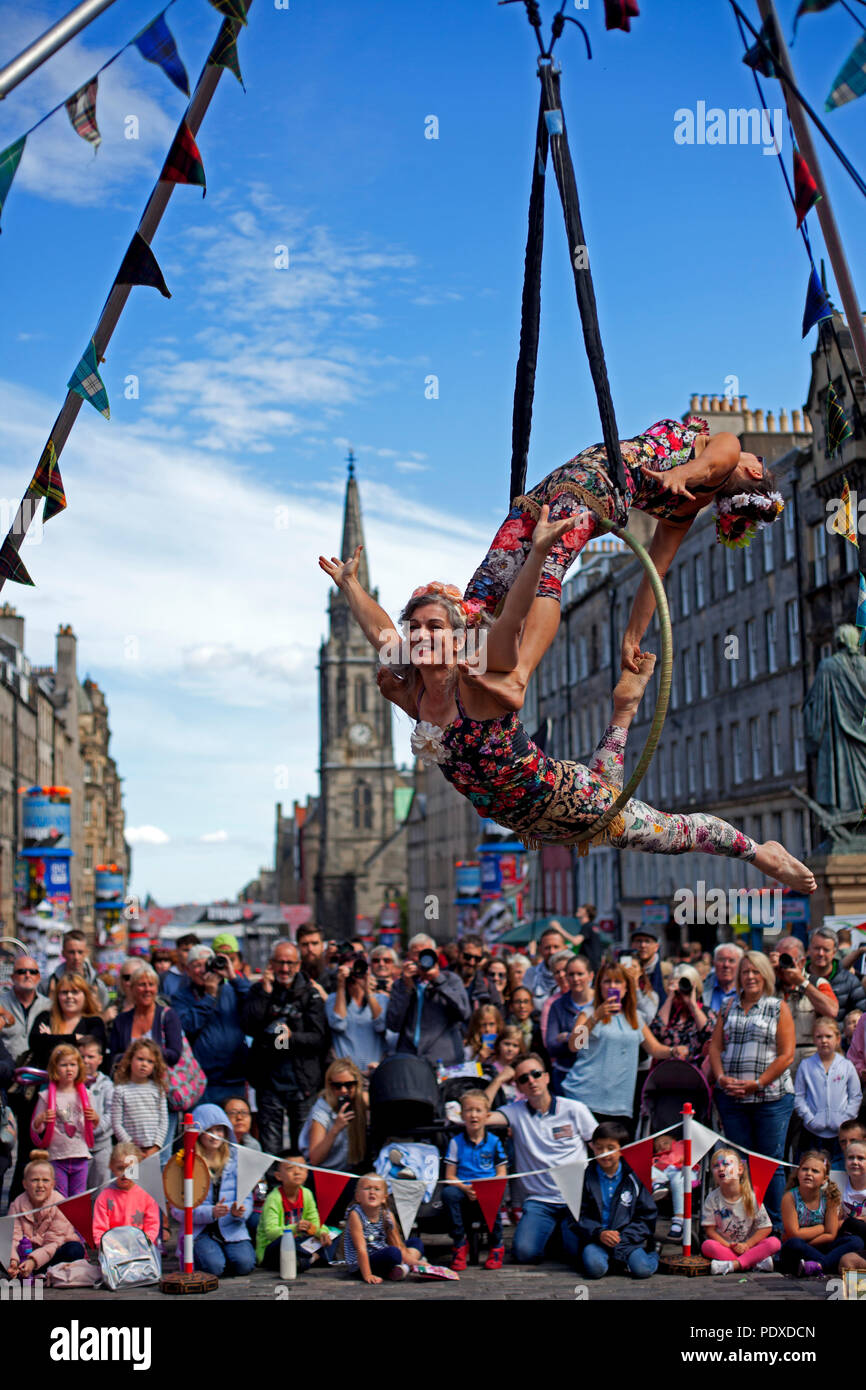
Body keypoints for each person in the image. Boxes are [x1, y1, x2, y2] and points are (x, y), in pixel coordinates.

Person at [323, 531, 816, 891]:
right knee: (609, 786)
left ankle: (759, 852)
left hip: (564, 801)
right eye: (417, 628)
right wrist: (350, 587)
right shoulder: (414, 695)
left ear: (458, 638)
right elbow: (381, 632)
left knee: (661, 831)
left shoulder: (472, 686)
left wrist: (538, 553)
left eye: (435, 626)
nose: (422, 635)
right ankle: (623, 708)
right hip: (528, 825)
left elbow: (514, 616)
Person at [462, 420, 783, 706]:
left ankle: (518, 678)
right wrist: (631, 638)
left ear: (754, 470)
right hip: (564, 478)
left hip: (595, 485)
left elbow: (712, 465)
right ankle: (462, 665)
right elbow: (654, 574)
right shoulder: (683, 511)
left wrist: (678, 475)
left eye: (761, 460)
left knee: (548, 573)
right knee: (489, 580)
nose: (757, 455)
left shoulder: (726, 452)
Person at [708, 950, 796, 1231]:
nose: (749, 976)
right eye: (745, 972)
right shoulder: (728, 1006)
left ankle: (777, 1229)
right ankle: (747, 1226)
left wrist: (757, 1083)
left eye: (755, 971)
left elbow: (787, 1055)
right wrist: (721, 1078)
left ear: (765, 975)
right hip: (733, 1097)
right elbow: (715, 1047)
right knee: (740, 1163)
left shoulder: (777, 1006)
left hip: (770, 1098)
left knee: (769, 1163)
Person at [484, 1054, 595, 1265]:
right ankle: (553, 1233)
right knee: (524, 1253)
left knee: (576, 1254)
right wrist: (498, 1080)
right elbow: (479, 1116)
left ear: (546, 1077)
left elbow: (601, 1147)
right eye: (524, 1079)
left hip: (576, 1198)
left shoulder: (575, 1109)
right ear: (519, 1087)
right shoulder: (514, 1112)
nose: (531, 1081)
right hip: (539, 1201)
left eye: (535, 1074)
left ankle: (559, 1234)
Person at [561, 961, 675, 1134]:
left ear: (626, 987)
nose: (612, 986)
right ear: (599, 986)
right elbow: (575, 1045)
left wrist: (675, 1051)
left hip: (620, 1102)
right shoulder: (589, 1013)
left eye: (617, 982)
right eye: (607, 982)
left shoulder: (635, 1017)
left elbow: (654, 1049)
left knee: (616, 1156)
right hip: (586, 1097)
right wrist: (596, 1017)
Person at [242, 939, 327, 1154]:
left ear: (298, 965)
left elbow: (319, 1038)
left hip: (302, 1083)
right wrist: (266, 993)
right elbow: (249, 1026)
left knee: (302, 1148)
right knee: (270, 1150)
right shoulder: (260, 990)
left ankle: (303, 1188)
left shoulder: (310, 993)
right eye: (280, 962)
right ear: (271, 963)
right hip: (269, 1082)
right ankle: (273, 1186)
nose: (285, 968)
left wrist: (292, 1037)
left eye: (290, 963)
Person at [169, 1103, 255, 1277]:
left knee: (244, 1264)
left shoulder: (236, 1159)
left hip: (232, 1226)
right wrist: (211, 1212)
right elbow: (177, 1209)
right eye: (210, 1130)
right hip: (200, 1230)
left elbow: (247, 1195)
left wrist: (240, 1211)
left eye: (220, 1130)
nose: (215, 1136)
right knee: (214, 1267)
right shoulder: (183, 1162)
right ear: (199, 1134)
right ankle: (203, 1254)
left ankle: (223, 1254)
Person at [576, 1121, 658, 1279]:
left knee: (643, 1270)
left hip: (627, 1239)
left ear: (622, 1150)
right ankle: (614, 1262)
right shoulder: (585, 1177)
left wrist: (624, 1237)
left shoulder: (634, 1177)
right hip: (597, 1239)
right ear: (592, 1147)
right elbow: (579, 1215)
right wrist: (599, 1233)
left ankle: (653, 1253)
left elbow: (647, 1215)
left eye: (611, 1148)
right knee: (595, 1269)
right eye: (599, 1148)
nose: (604, 1153)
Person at [172, 944, 251, 1106]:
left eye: (207, 964)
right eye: (197, 966)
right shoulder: (181, 997)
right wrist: (209, 996)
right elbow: (187, 1026)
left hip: (233, 1078)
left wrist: (233, 976)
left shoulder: (232, 990)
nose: (203, 970)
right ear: (187, 970)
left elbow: (255, 1004)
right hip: (201, 1080)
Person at [443, 1090, 508, 1271]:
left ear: (487, 1115)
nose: (473, 1115)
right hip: (464, 1187)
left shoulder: (494, 1142)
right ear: (462, 1115)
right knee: (449, 1194)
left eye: (478, 1110)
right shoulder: (456, 1142)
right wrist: (465, 1188)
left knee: (494, 1196)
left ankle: (496, 1245)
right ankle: (459, 1243)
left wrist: (485, 1187)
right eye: (469, 1110)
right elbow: (450, 1176)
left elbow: (501, 1172)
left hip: (487, 1187)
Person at [385, 933, 471, 1065]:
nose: (421, 958)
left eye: (426, 953)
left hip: (443, 1059)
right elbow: (393, 1024)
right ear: (409, 956)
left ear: (435, 955)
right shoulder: (401, 984)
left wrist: (438, 981)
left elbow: (464, 1013)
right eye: (416, 953)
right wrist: (407, 988)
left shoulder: (450, 979)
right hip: (409, 1058)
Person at [778, 1150, 864, 1277]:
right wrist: (822, 1228)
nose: (808, 1173)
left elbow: (831, 1234)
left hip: (823, 1245)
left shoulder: (830, 1197)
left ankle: (819, 1265)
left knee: (856, 1241)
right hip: (801, 1248)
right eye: (804, 1169)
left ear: (824, 1179)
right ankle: (828, 1263)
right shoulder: (789, 1198)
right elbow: (795, 1233)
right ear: (797, 1173)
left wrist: (814, 1235)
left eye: (815, 1171)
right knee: (794, 1243)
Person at [3, 1150, 85, 1278]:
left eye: (45, 1181)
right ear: (25, 1184)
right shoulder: (17, 1204)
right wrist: (13, 1261)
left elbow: (54, 1242)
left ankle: (36, 1271)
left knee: (74, 1249)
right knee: (3, 1245)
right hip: (24, 1253)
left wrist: (33, 1261)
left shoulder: (60, 1203)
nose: (40, 1185)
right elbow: (13, 1238)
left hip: (52, 1251)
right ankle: (19, 1269)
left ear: (53, 1184)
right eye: (35, 1180)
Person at [700, 1146, 780, 1275]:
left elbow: (766, 1228)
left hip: (749, 1247)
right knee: (707, 1246)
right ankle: (754, 1262)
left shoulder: (752, 1196)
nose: (721, 1168)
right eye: (716, 1166)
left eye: (726, 1164)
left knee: (774, 1243)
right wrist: (729, 1246)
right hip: (727, 1247)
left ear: (740, 1170)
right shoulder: (712, 1198)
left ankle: (733, 1265)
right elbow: (710, 1230)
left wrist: (747, 1245)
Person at [30, 1044, 97, 1197]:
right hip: (57, 1156)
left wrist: (95, 1118)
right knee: (60, 1197)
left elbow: (91, 1127)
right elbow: (36, 1129)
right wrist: (41, 1120)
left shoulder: (86, 1094)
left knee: (79, 1196)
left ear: (79, 1067)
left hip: (80, 1155)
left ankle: (76, 1222)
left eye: (72, 1065)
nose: (69, 1069)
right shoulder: (46, 1095)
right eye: (64, 1065)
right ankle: (61, 1222)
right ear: (55, 1068)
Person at [793, 1018, 861, 1162]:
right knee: (812, 1165)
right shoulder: (806, 1065)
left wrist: (845, 1119)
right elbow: (799, 1097)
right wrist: (810, 1119)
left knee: (839, 1170)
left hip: (840, 1134)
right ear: (813, 1039)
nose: (824, 1040)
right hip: (812, 1132)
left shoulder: (847, 1066)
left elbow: (855, 1096)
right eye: (819, 1036)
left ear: (837, 1038)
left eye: (828, 1036)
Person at [772, 935, 838, 1073]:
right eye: (781, 959)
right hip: (778, 1059)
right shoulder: (770, 986)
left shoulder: (817, 983)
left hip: (811, 1059)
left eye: (788, 959)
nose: (783, 965)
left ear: (801, 962)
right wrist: (767, 973)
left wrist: (802, 983)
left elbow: (832, 1011)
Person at [255, 1154, 332, 1272]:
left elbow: (315, 1222)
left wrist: (320, 1232)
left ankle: (307, 1259)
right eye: (290, 1169)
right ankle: (312, 1258)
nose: (297, 1172)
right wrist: (295, 1228)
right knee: (285, 1242)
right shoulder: (274, 1198)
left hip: (301, 1242)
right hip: (275, 1248)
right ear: (278, 1176)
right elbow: (271, 1233)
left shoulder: (306, 1194)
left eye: (301, 1168)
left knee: (331, 1233)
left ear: (307, 1173)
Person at [343, 1173, 425, 1282]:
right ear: (358, 1196)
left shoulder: (386, 1214)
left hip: (382, 1253)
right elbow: (361, 1249)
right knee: (393, 1253)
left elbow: (396, 1242)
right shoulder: (356, 1214)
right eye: (367, 1188)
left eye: (377, 1189)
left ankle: (404, 1266)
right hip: (362, 1263)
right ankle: (402, 1266)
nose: (372, 1192)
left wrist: (416, 1263)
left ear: (384, 1198)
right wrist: (367, 1275)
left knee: (416, 1242)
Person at [302, 1059, 369, 1176]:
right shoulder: (322, 1109)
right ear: (329, 1085)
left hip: (350, 1170)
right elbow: (315, 1159)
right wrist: (335, 1129)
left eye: (349, 1085)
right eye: (337, 1086)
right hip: (324, 1172)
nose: (344, 1091)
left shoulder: (361, 1101)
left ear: (357, 1084)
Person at [108, 964, 184, 1066]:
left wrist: (146, 1054)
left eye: (151, 984)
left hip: (161, 1079)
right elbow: (114, 1057)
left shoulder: (168, 1016)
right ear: (132, 989)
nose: (147, 989)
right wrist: (134, 1056)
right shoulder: (121, 1020)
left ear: (157, 989)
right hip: (130, 1080)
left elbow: (174, 1054)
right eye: (142, 985)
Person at [325, 954, 388, 1074]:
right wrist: (341, 985)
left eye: (356, 969)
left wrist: (367, 989)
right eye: (350, 969)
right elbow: (338, 1024)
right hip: (346, 1075)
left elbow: (381, 1025)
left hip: (374, 1071)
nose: (353, 974)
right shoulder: (333, 999)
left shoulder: (380, 999)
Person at [91, 1142, 161, 1247]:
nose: (125, 1174)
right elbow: (99, 1230)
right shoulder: (104, 1197)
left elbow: (152, 1225)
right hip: (114, 1251)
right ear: (112, 1167)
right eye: (120, 1168)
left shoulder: (147, 1195)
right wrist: (108, 1246)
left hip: (142, 1249)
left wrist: (143, 1243)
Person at [110, 1039, 169, 1158]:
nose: (144, 1064)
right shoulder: (121, 1090)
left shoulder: (158, 1089)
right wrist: (130, 1147)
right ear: (130, 1059)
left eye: (150, 1061)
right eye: (140, 1059)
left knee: (149, 1177)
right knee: (131, 1177)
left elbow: (163, 1121)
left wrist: (156, 1146)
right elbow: (116, 1123)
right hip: (129, 1152)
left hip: (151, 1151)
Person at [546, 955, 594, 1094]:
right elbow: (552, 1047)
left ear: (590, 976)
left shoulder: (600, 1004)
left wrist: (569, 1037)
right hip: (565, 1076)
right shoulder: (558, 1005)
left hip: (594, 1075)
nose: (575, 979)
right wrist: (582, 1040)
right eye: (571, 974)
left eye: (580, 974)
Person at [649, 963, 713, 1065]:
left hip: (696, 1075)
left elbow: (710, 1036)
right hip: (665, 1074)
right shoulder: (667, 1013)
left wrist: (692, 1004)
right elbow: (654, 1035)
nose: (681, 992)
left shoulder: (704, 1012)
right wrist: (670, 997)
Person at [807, 927, 866, 1024]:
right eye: (817, 948)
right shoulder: (796, 978)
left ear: (834, 952)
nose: (821, 953)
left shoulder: (849, 980)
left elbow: (862, 1016)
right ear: (809, 949)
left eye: (826, 950)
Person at [79, 1034, 115, 1188]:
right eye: (82, 1056)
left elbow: (112, 1114)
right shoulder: (70, 1085)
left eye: (90, 1056)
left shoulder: (107, 1085)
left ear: (100, 1059)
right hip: (78, 1147)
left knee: (101, 1188)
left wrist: (97, 1124)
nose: (86, 1061)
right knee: (79, 1192)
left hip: (102, 1147)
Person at [41, 929, 109, 1010]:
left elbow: (104, 1014)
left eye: (80, 952)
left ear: (86, 952)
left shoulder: (97, 985)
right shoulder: (48, 985)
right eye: (71, 952)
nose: (76, 957)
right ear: (63, 953)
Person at [0, 955, 50, 1062]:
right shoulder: (1, 1004)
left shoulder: (49, 1006)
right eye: (22, 971)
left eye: (33, 972)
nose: (28, 975)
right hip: (5, 1073)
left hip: (40, 1073)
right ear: (12, 977)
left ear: (39, 977)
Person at [837, 1140, 866, 1274]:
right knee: (847, 1261)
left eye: (861, 1158)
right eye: (851, 1158)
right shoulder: (836, 1182)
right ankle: (858, 1295)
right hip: (850, 1240)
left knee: (853, 1224)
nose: (855, 1162)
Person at [523, 926, 568, 1012]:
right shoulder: (531, 973)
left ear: (565, 948)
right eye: (547, 948)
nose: (552, 952)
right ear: (540, 950)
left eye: (556, 947)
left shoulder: (575, 974)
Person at [651, 1134, 686, 1241]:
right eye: (658, 1146)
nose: (661, 1146)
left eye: (665, 1142)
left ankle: (678, 1220)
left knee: (677, 1180)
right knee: (649, 1168)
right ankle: (658, 1185)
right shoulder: (658, 1158)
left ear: (674, 1141)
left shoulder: (681, 1145)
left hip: (682, 1170)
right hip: (665, 1173)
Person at [483, 1026, 527, 1109]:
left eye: (515, 1046)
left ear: (520, 1049)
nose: (510, 1049)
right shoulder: (490, 1064)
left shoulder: (522, 1068)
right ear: (499, 1044)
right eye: (507, 1044)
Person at [538, 951, 572, 1045]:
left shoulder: (589, 997)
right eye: (557, 972)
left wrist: (567, 1036)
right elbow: (548, 1041)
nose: (561, 975)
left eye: (565, 970)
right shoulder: (550, 1003)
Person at [702, 943, 744, 1013]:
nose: (726, 965)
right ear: (714, 963)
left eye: (731, 961)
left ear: (740, 965)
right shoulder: (703, 989)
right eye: (721, 960)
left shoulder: (748, 990)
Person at [296, 924, 336, 997]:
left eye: (315, 943)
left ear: (322, 946)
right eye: (305, 944)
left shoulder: (333, 978)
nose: (310, 949)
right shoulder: (292, 977)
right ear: (298, 947)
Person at [161, 933, 200, 998]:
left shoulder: (202, 976)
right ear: (177, 951)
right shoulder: (164, 978)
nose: (190, 954)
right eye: (186, 950)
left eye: (193, 951)